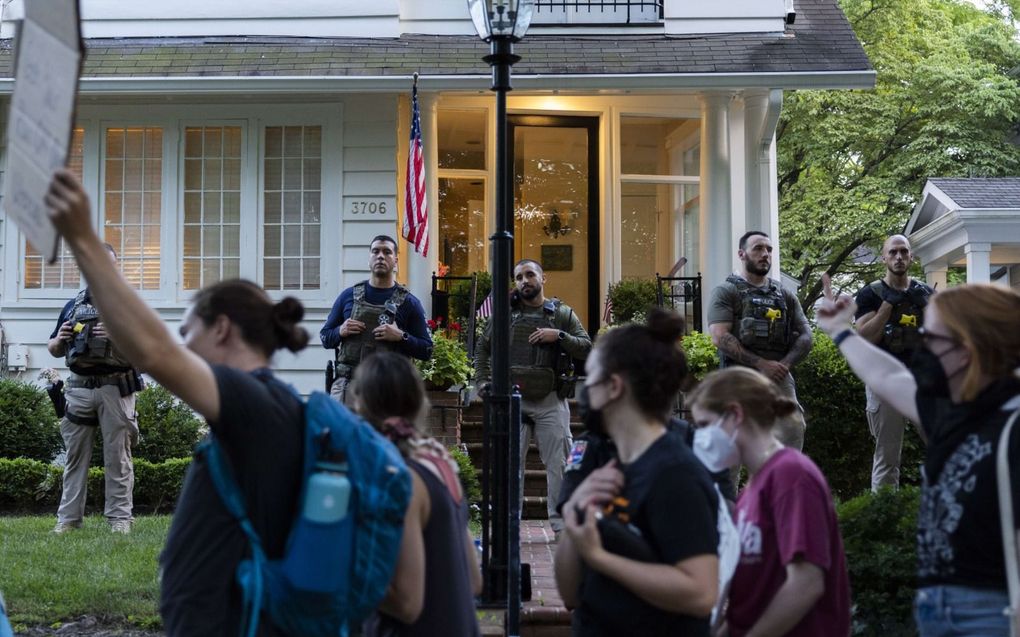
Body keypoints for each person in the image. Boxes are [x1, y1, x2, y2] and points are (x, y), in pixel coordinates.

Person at [45, 168, 308, 636]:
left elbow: (154, 353)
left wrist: (83, 240)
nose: (184, 344)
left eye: (190, 331)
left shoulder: (252, 400)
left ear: (222, 330)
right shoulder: (258, 404)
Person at [818, 276, 1020, 636]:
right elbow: (888, 376)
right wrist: (838, 331)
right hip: (937, 607)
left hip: (996, 613)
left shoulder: (1013, 423)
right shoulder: (952, 411)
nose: (921, 347)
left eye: (932, 338)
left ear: (966, 350)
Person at [554, 308, 719, 637]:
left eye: (591, 377)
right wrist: (576, 515)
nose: (585, 390)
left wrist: (600, 558)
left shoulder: (676, 474)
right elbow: (570, 593)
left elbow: (701, 593)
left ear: (614, 386)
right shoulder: (610, 468)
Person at [687, 367, 851, 637]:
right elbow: (750, 600)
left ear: (735, 414)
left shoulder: (791, 475)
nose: (702, 438)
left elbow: (806, 583)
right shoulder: (751, 490)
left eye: (705, 425)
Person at [352, 351, 482, 637]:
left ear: (361, 405)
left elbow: (407, 604)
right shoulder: (441, 463)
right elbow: (472, 581)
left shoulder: (402, 478)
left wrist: (342, 573)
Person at [475, 258, 592, 534]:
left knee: (559, 465)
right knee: (510, 464)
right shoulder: (504, 314)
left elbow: (587, 347)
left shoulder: (562, 314)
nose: (524, 281)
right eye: (518, 277)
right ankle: (509, 523)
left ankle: (561, 525)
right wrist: (481, 381)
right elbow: (482, 348)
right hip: (512, 400)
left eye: (530, 275)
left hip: (550, 399)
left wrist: (559, 336)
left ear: (543, 278)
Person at [46, 243, 144, 535]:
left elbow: (147, 353)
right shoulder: (73, 305)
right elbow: (52, 349)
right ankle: (68, 520)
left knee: (118, 457)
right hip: (78, 390)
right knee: (75, 458)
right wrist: (61, 338)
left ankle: (119, 520)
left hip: (116, 390)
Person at [707, 231, 812, 450]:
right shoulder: (726, 291)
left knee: (792, 430)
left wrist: (783, 366)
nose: (765, 254)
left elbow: (806, 335)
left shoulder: (784, 294)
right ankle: (728, 486)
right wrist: (761, 364)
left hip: (778, 376)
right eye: (758, 248)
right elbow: (719, 336)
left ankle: (783, 482)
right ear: (742, 254)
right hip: (737, 375)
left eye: (769, 250)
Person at [853, 234, 934, 491]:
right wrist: (887, 306)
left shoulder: (925, 293)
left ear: (911, 256)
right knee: (887, 457)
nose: (899, 257)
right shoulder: (869, 294)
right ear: (884, 257)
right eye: (893, 252)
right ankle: (884, 520)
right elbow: (863, 338)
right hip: (884, 383)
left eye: (904, 252)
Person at [319, 235, 432, 405]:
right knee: (343, 432)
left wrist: (401, 337)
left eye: (387, 252)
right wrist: (340, 331)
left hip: (390, 391)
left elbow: (427, 350)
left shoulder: (410, 303)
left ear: (395, 261)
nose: (380, 256)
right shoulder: (347, 296)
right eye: (375, 251)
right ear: (369, 259)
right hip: (349, 388)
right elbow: (325, 337)